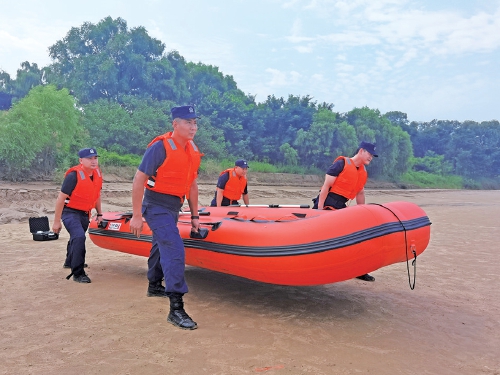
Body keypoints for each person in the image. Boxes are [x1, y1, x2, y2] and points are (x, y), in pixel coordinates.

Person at [129, 105, 203, 330]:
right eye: (188, 122)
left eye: (195, 123)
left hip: (174, 206)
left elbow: (191, 186)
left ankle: (154, 284)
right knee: (174, 248)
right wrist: (136, 215)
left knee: (160, 245)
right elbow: (139, 180)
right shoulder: (160, 147)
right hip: (155, 205)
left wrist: (195, 216)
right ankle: (176, 309)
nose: (193, 127)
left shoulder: (192, 150)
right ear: (175, 124)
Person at [312, 141, 378, 282]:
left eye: (373, 155)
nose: (371, 157)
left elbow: (360, 193)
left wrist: (362, 212)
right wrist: (319, 210)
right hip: (327, 202)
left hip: (341, 206)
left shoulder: (362, 172)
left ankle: (360, 270)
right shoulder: (341, 164)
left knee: (359, 236)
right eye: (369, 153)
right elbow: (325, 187)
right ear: (361, 151)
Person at [52, 148, 103, 283]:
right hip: (70, 212)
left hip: (85, 213)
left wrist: (100, 213)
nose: (93, 161)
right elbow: (61, 199)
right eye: (89, 158)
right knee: (79, 237)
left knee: (77, 237)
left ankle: (70, 261)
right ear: (81, 160)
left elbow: (96, 195)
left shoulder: (97, 174)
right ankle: (78, 273)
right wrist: (56, 222)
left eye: (95, 158)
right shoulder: (73, 176)